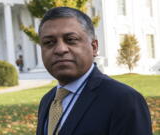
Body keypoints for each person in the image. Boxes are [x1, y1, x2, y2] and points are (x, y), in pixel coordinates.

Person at [36, 7, 152, 135]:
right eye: (49, 42)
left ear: (94, 47)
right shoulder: (48, 101)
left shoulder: (124, 100)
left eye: (71, 40)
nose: (60, 49)